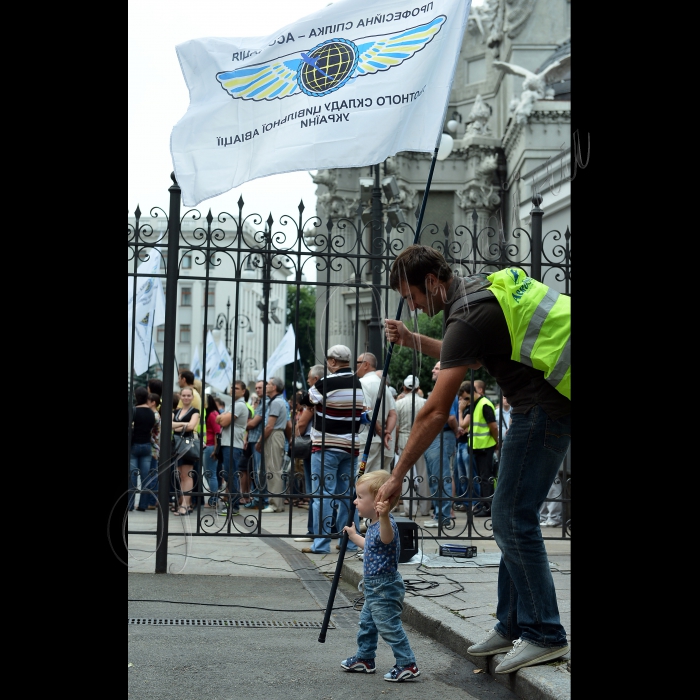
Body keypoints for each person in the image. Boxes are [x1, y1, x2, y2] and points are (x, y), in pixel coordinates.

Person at [379, 244, 571, 673]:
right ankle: (512, 624)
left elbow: (432, 412)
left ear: (431, 281)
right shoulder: (476, 294)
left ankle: (545, 633)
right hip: (543, 404)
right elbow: (464, 350)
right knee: (512, 517)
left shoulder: (466, 314)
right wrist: (412, 341)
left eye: (412, 297)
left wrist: (396, 476)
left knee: (510, 518)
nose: (412, 307)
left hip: (542, 408)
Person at [340, 470, 421, 683]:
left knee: (388, 626)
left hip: (384, 588)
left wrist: (384, 515)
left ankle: (407, 663)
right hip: (374, 588)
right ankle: (365, 658)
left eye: (360, 497)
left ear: (378, 500)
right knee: (367, 624)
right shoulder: (374, 525)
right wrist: (354, 536)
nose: (355, 501)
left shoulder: (386, 524)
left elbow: (386, 539)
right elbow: (371, 547)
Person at [300, 345, 364, 555]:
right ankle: (350, 542)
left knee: (323, 495)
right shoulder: (357, 383)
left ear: (333, 361)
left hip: (326, 446)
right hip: (350, 447)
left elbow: (307, 401)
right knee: (347, 495)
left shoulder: (326, 382)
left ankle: (320, 544)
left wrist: (310, 399)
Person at [422, 360, 461, 529]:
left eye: (437, 368)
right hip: (439, 436)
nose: (433, 370)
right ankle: (440, 514)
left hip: (441, 435)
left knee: (440, 476)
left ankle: (443, 516)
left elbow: (449, 417)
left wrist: (456, 428)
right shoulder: (443, 389)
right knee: (436, 476)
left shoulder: (446, 389)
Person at [293, 364, 325, 542]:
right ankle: (330, 527)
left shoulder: (314, 397)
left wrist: (294, 434)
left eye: (309, 378)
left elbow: (302, 425)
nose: (307, 381)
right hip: (334, 444)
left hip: (312, 445)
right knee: (328, 489)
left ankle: (313, 531)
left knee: (315, 491)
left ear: (316, 379)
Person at [459, 380, 499, 517]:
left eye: (466, 397)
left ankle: (488, 508)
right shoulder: (475, 404)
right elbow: (465, 426)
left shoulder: (484, 404)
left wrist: (496, 441)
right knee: (482, 479)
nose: (465, 400)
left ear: (472, 392)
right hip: (477, 446)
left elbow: (493, 426)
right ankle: (484, 505)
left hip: (485, 446)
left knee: (486, 478)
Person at [394, 375, 431, 517]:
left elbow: (396, 427)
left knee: (406, 476)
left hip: (404, 440)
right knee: (423, 474)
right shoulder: (425, 402)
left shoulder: (399, 404)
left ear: (404, 388)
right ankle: (425, 508)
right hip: (422, 440)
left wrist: (396, 443)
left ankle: (410, 509)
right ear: (418, 388)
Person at [355, 352, 397, 473]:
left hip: (367, 438)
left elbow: (367, 411)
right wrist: (387, 432)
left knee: (358, 478)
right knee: (374, 481)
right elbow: (392, 414)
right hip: (382, 441)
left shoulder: (362, 383)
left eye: (358, 362)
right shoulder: (383, 385)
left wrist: (380, 431)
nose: (355, 366)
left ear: (366, 365)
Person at [254, 376, 288, 513]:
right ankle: (276, 503)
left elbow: (269, 426)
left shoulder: (275, 402)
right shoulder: (278, 401)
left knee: (273, 469)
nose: (266, 385)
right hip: (276, 434)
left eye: (268, 384)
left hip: (274, 434)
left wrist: (259, 441)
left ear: (274, 387)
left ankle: (274, 504)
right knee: (274, 469)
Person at [171, 386, 200, 516]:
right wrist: (184, 425)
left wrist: (177, 426)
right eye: (184, 395)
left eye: (189, 395)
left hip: (187, 445)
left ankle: (184, 505)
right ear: (180, 396)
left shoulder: (195, 411)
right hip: (176, 445)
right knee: (180, 476)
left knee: (187, 475)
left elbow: (192, 426)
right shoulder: (176, 411)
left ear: (192, 397)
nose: (186, 398)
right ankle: (185, 504)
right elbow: (168, 424)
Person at [129, 386, 157, 512]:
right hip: (147, 446)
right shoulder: (152, 413)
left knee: (132, 476)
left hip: (134, 446)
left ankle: (129, 505)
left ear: (136, 396)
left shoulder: (134, 411)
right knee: (146, 477)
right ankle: (143, 505)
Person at [245, 381, 269, 510]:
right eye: (256, 388)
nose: (258, 390)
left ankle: (262, 499)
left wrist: (242, 423)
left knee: (260, 471)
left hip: (259, 440)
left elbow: (254, 423)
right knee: (256, 470)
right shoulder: (259, 402)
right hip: (254, 439)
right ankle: (258, 498)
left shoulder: (264, 403)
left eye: (260, 387)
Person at [203, 393, 221, 508]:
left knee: (211, 474)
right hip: (208, 446)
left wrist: (215, 449)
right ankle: (213, 498)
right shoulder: (209, 414)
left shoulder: (212, 414)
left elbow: (217, 432)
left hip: (210, 446)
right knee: (208, 473)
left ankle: (214, 500)